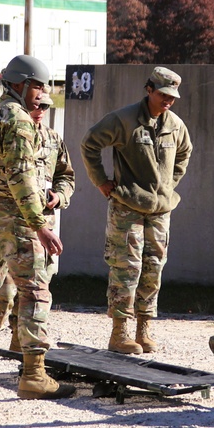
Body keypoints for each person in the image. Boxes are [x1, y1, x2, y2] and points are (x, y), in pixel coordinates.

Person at [0, 54, 74, 400]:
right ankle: (34, 375)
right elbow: (21, 176)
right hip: (17, 216)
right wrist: (39, 225)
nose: (41, 94)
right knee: (35, 289)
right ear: (19, 84)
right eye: (37, 86)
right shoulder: (18, 120)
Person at [80, 67, 193, 355]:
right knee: (126, 268)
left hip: (160, 211)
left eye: (172, 96)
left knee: (154, 268)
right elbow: (90, 143)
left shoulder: (176, 125)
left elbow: (184, 153)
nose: (168, 100)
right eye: (162, 94)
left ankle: (144, 329)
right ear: (149, 90)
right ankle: (120, 333)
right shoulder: (124, 120)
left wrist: (167, 185)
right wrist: (101, 181)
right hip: (127, 207)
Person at [0, 91, 74, 362]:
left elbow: (66, 176)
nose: (41, 109)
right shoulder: (15, 133)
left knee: (36, 285)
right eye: (37, 104)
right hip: (12, 221)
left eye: (45, 106)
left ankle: (19, 340)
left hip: (43, 224)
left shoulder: (53, 139)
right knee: (4, 287)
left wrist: (60, 196)